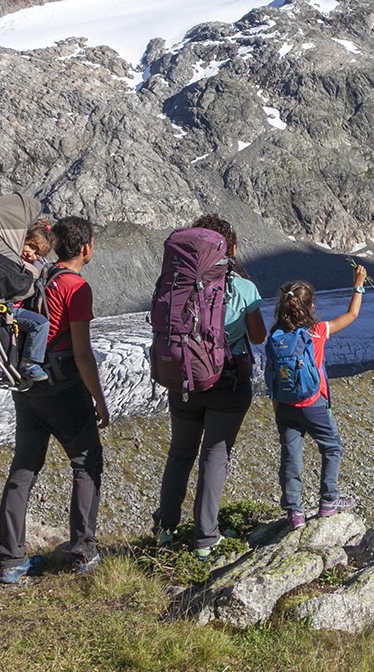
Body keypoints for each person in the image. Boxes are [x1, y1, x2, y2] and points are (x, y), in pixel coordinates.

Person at [0, 216, 110, 583]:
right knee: (86, 462)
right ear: (87, 248)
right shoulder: (76, 287)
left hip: (28, 390)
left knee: (24, 469)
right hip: (64, 389)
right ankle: (83, 550)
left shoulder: (33, 276)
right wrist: (99, 399)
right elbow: (82, 353)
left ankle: (11, 560)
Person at [153, 214, 267, 559]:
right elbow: (259, 336)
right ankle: (205, 537)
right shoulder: (243, 288)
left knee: (180, 453)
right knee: (214, 456)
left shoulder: (178, 283)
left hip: (184, 380)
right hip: (227, 383)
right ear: (228, 248)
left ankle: (164, 530)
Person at [272, 263, 367, 529]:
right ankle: (329, 501)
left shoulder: (276, 336)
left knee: (291, 456)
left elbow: (272, 373)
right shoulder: (317, 332)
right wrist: (358, 283)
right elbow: (352, 314)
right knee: (332, 447)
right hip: (314, 403)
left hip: (285, 404)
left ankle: (294, 513)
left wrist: (276, 408)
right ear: (310, 307)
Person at [10, 219, 57, 385]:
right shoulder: (21, 265)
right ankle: (29, 362)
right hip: (9, 310)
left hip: (10, 309)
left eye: (37, 254)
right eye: (31, 246)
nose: (31, 254)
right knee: (41, 324)